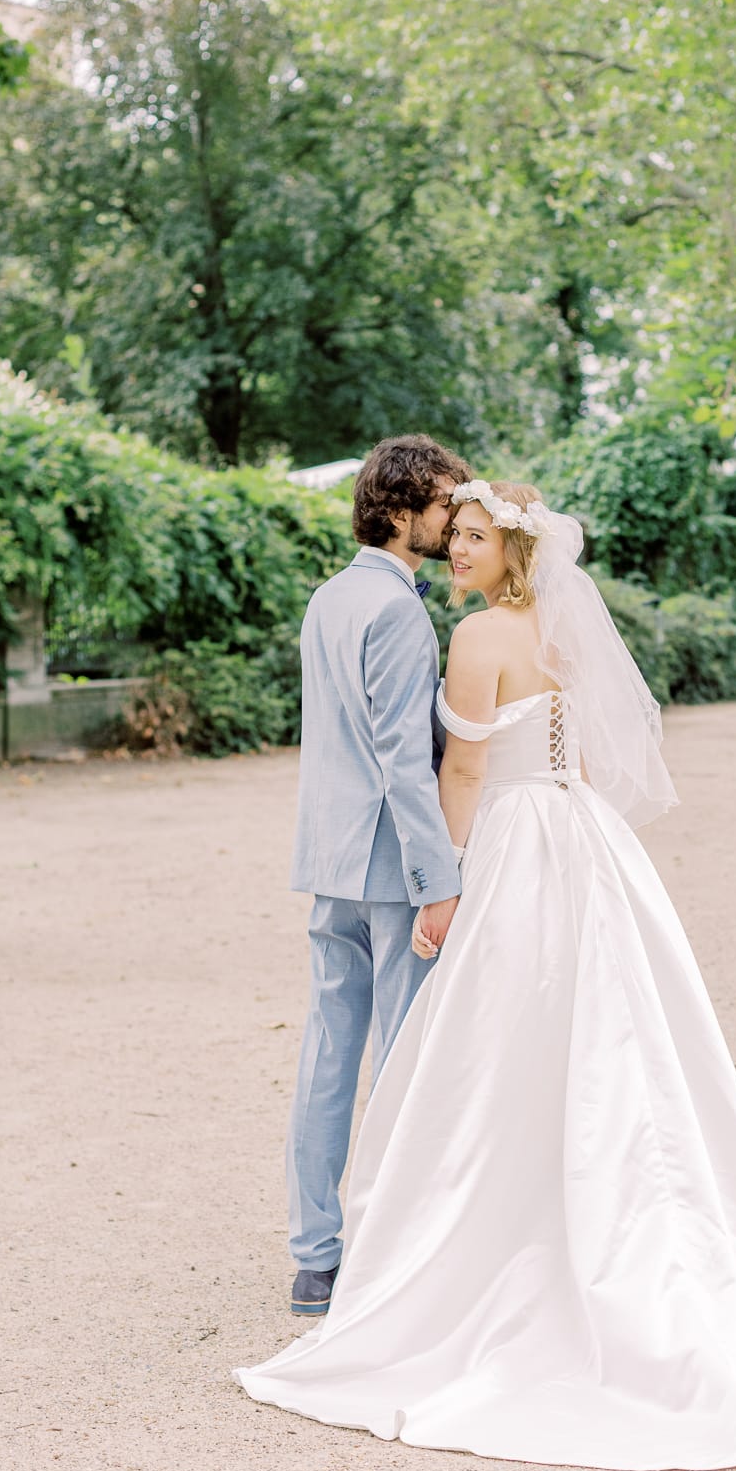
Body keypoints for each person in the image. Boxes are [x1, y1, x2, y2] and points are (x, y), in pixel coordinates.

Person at [237, 480, 736, 1470]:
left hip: (500, 844)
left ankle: (391, 1244)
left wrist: (441, 882)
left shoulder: (472, 637)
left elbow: (464, 771)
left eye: (476, 537)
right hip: (582, 835)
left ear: (511, 552)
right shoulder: (564, 630)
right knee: (608, 1028)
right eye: (457, 532)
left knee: (470, 1047)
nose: (458, 547)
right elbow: (577, 739)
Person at [282, 434, 469, 1320]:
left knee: (328, 1052)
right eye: (441, 504)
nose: (450, 520)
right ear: (398, 509)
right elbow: (401, 756)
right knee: (399, 1057)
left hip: (329, 859)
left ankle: (315, 1255)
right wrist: (440, 876)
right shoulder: (398, 611)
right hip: (391, 866)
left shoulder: (329, 597)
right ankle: (388, 1243)